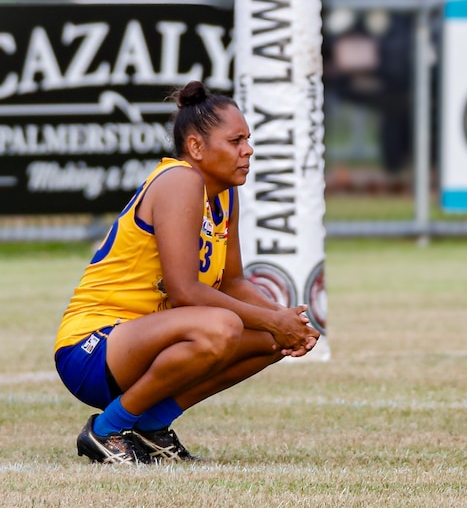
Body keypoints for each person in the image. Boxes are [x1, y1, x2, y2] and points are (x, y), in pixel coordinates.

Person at [53, 80, 320, 464]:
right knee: (222, 326)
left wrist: (282, 321)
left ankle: (150, 427)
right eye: (235, 140)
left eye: (247, 139)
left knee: (268, 339)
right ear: (196, 147)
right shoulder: (180, 180)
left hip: (145, 345)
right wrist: (273, 320)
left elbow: (233, 283)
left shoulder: (224, 192)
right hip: (91, 350)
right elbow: (185, 292)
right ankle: (107, 430)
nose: (248, 150)